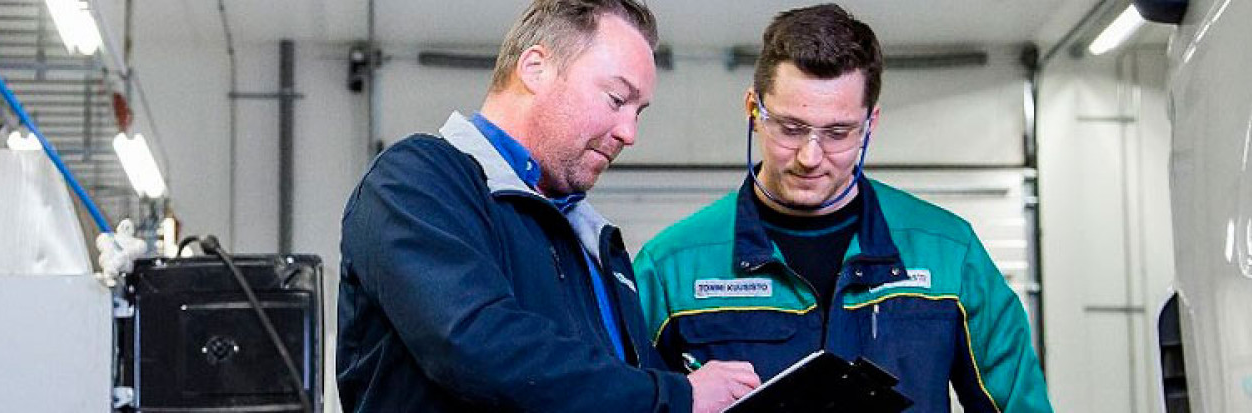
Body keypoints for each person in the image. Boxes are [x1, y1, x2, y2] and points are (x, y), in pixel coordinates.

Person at [337, 0, 760, 411]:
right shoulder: (417, 180)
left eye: (638, 112)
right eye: (616, 99)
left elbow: (619, 386)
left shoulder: (595, 243)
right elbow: (477, 344)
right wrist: (677, 396)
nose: (629, 133)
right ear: (535, 67)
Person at [632, 4, 1052, 412]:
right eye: (791, 128)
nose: (810, 157)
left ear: (870, 125)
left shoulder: (949, 253)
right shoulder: (672, 267)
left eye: (837, 133)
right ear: (753, 111)